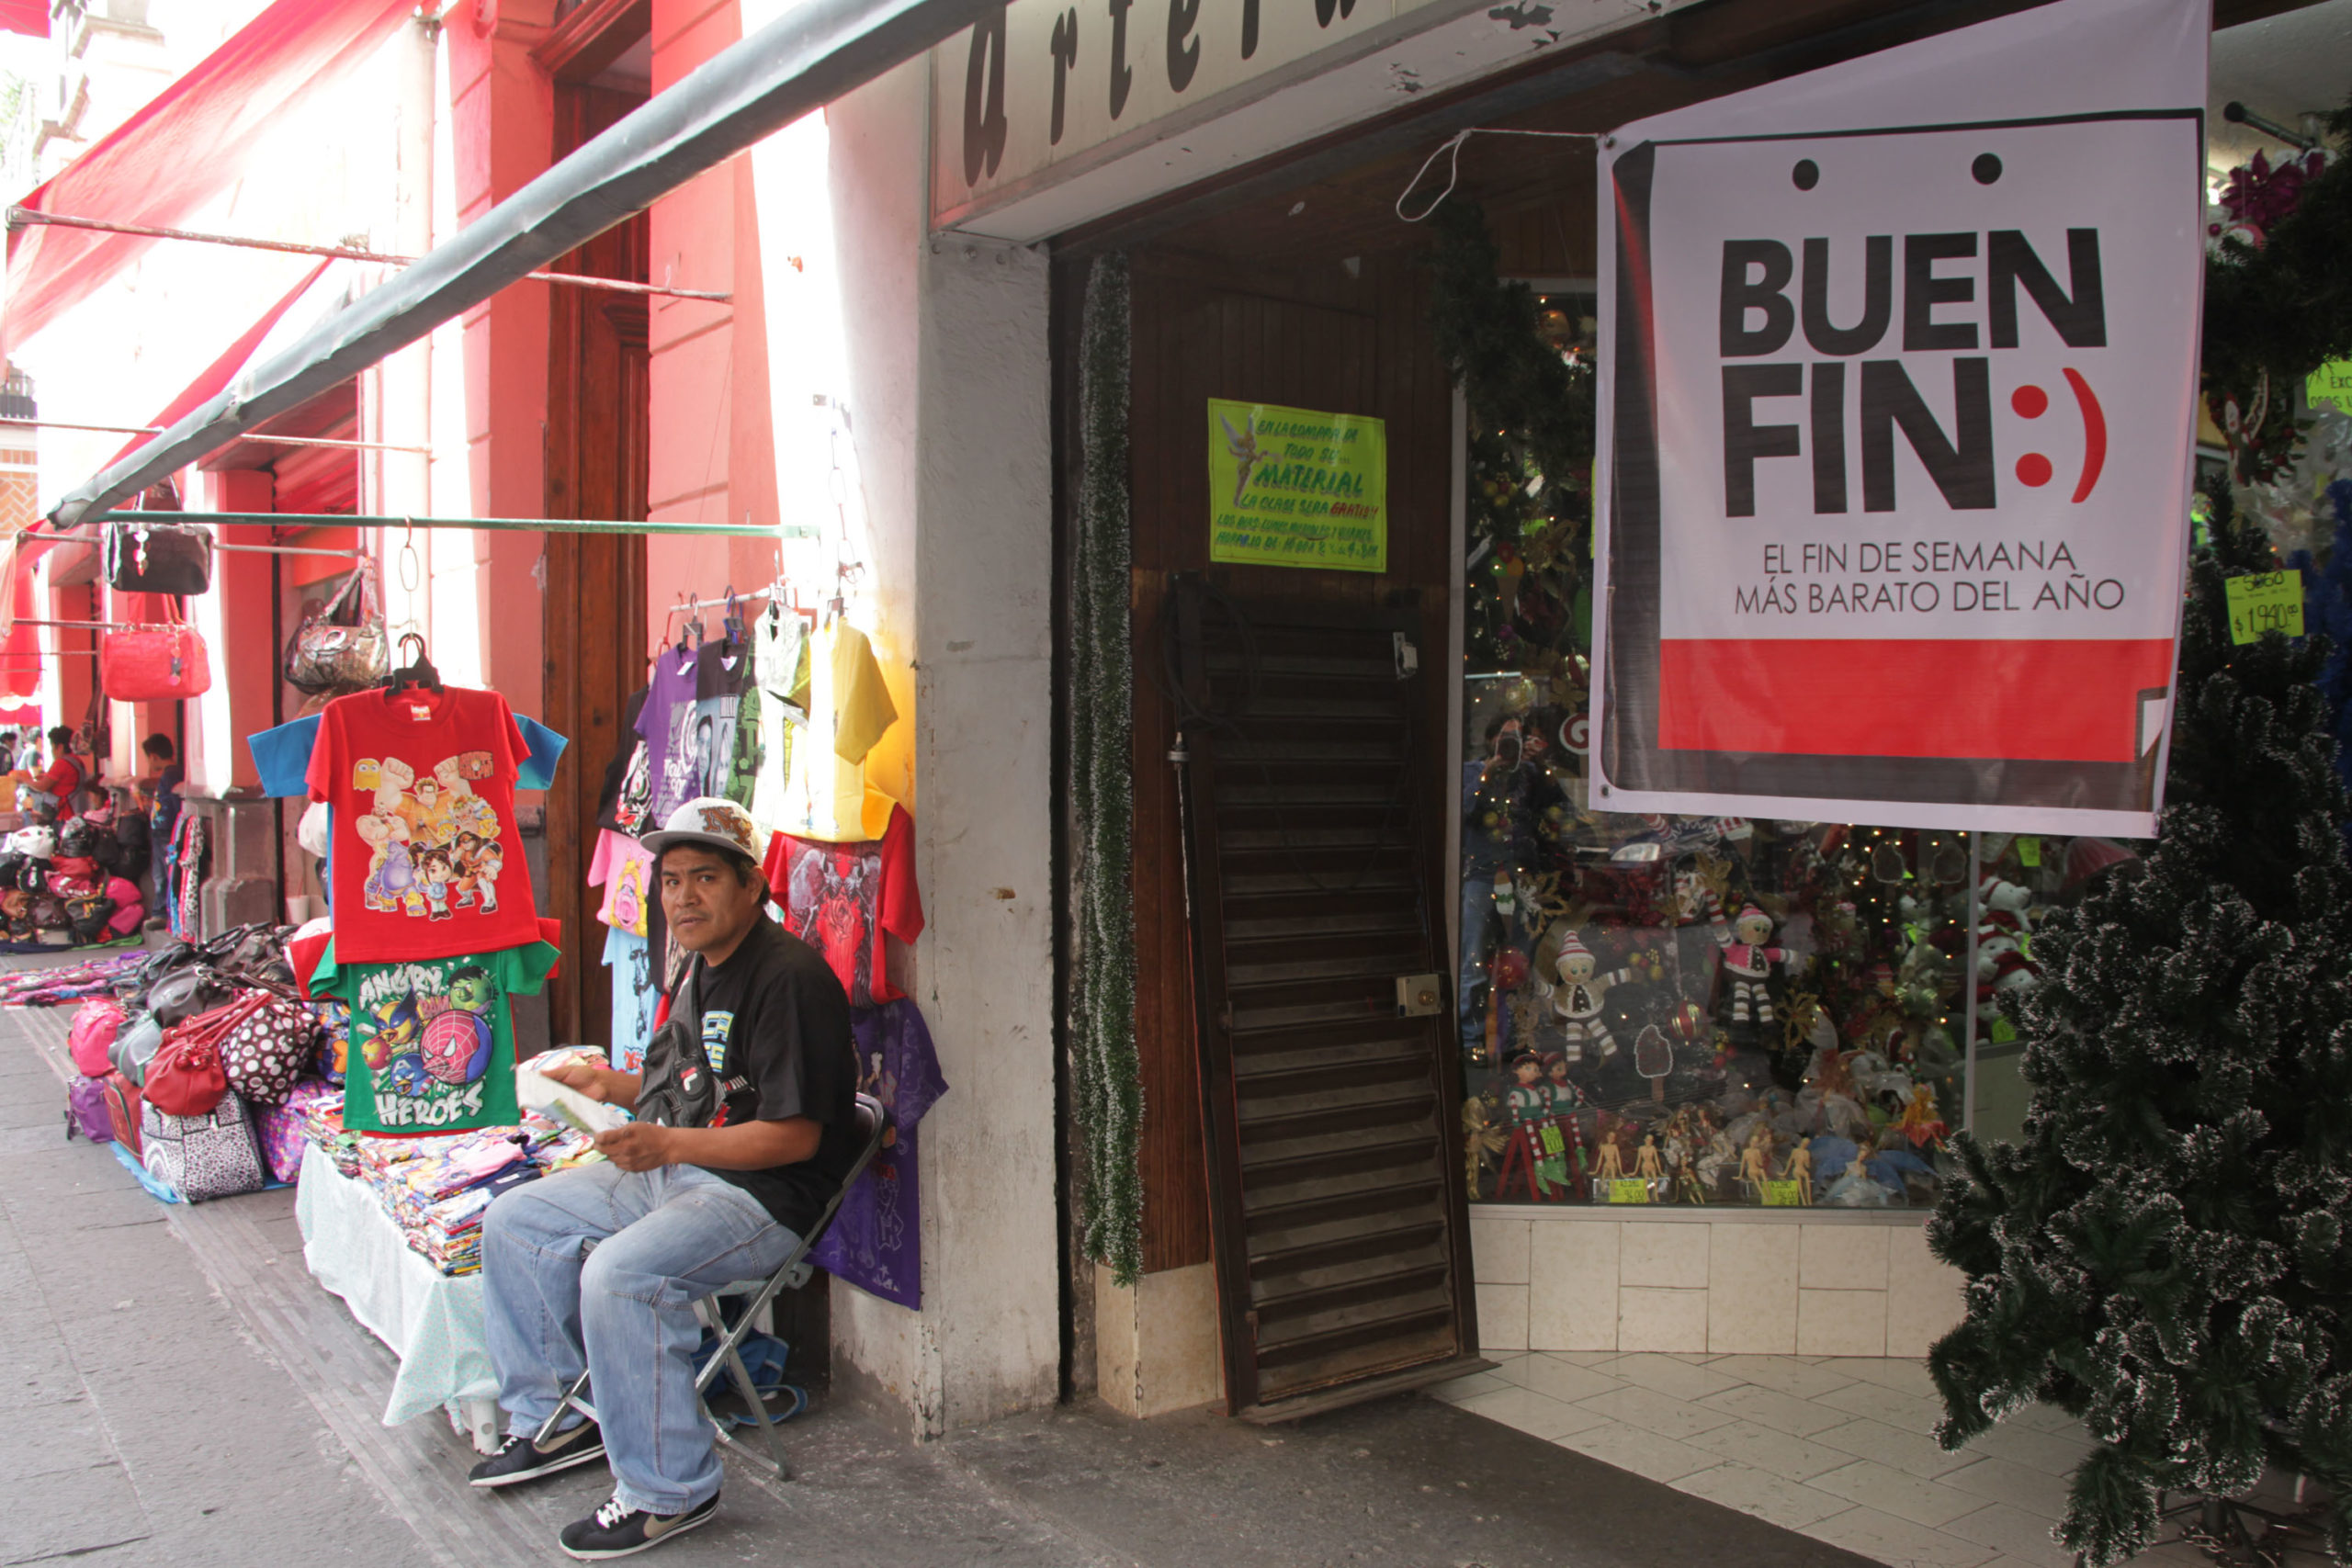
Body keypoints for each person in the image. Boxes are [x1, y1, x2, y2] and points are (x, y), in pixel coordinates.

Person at [470, 796, 860, 1560]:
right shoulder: (699, 967)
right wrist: (606, 1086)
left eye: (705, 877)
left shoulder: (788, 979)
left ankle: (670, 1489)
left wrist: (667, 1143)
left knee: (620, 1275)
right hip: (682, 1167)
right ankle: (559, 1416)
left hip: (758, 1197)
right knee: (516, 1220)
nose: (683, 897)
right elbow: (686, 1086)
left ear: (752, 885)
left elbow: (795, 1137)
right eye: (672, 880)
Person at [29, 726, 84, 817]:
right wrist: (46, 777)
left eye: (52, 747)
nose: (52, 751)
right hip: (76, 810)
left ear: (60, 747)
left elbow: (42, 786)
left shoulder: (62, 763)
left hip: (65, 813)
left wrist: (24, 780)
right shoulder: (76, 760)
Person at [141, 733, 184, 843]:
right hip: (163, 833)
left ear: (153, 757)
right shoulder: (170, 773)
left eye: (148, 759)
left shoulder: (171, 775)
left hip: (166, 834)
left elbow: (177, 805)